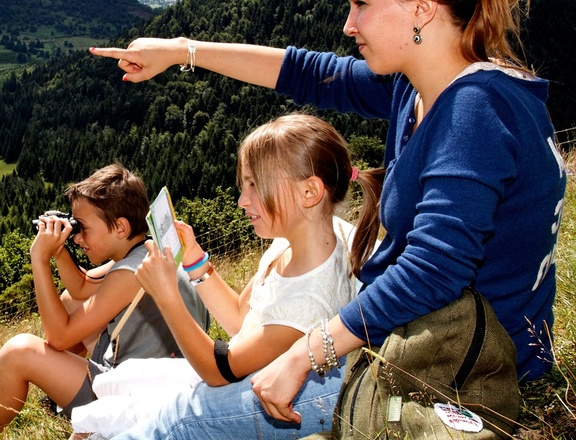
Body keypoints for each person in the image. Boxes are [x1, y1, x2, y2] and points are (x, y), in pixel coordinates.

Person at [91, 0, 563, 436]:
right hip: (415, 332)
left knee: (179, 423)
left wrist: (309, 350)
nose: (348, 24)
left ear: (421, 6)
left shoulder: (474, 112)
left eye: (362, 4)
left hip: (449, 362)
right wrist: (180, 51)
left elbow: (433, 271)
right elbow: (308, 73)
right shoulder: (424, 87)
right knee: (147, 396)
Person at [69, 114, 379, 438]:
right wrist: (194, 260)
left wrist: (167, 297)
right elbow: (239, 319)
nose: (242, 200)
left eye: (256, 186)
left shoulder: (309, 303)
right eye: (244, 185)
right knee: (117, 383)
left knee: (109, 424)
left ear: (310, 192)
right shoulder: (293, 242)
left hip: (236, 389)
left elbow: (220, 371)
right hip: (235, 371)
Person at [0, 163, 209, 439]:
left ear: (120, 228)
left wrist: (39, 259)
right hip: (166, 381)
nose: (78, 237)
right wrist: (59, 251)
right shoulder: (146, 252)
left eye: (84, 228)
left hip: (140, 400)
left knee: (17, 354)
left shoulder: (129, 275)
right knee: (71, 302)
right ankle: (66, 390)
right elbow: (81, 287)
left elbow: (59, 338)